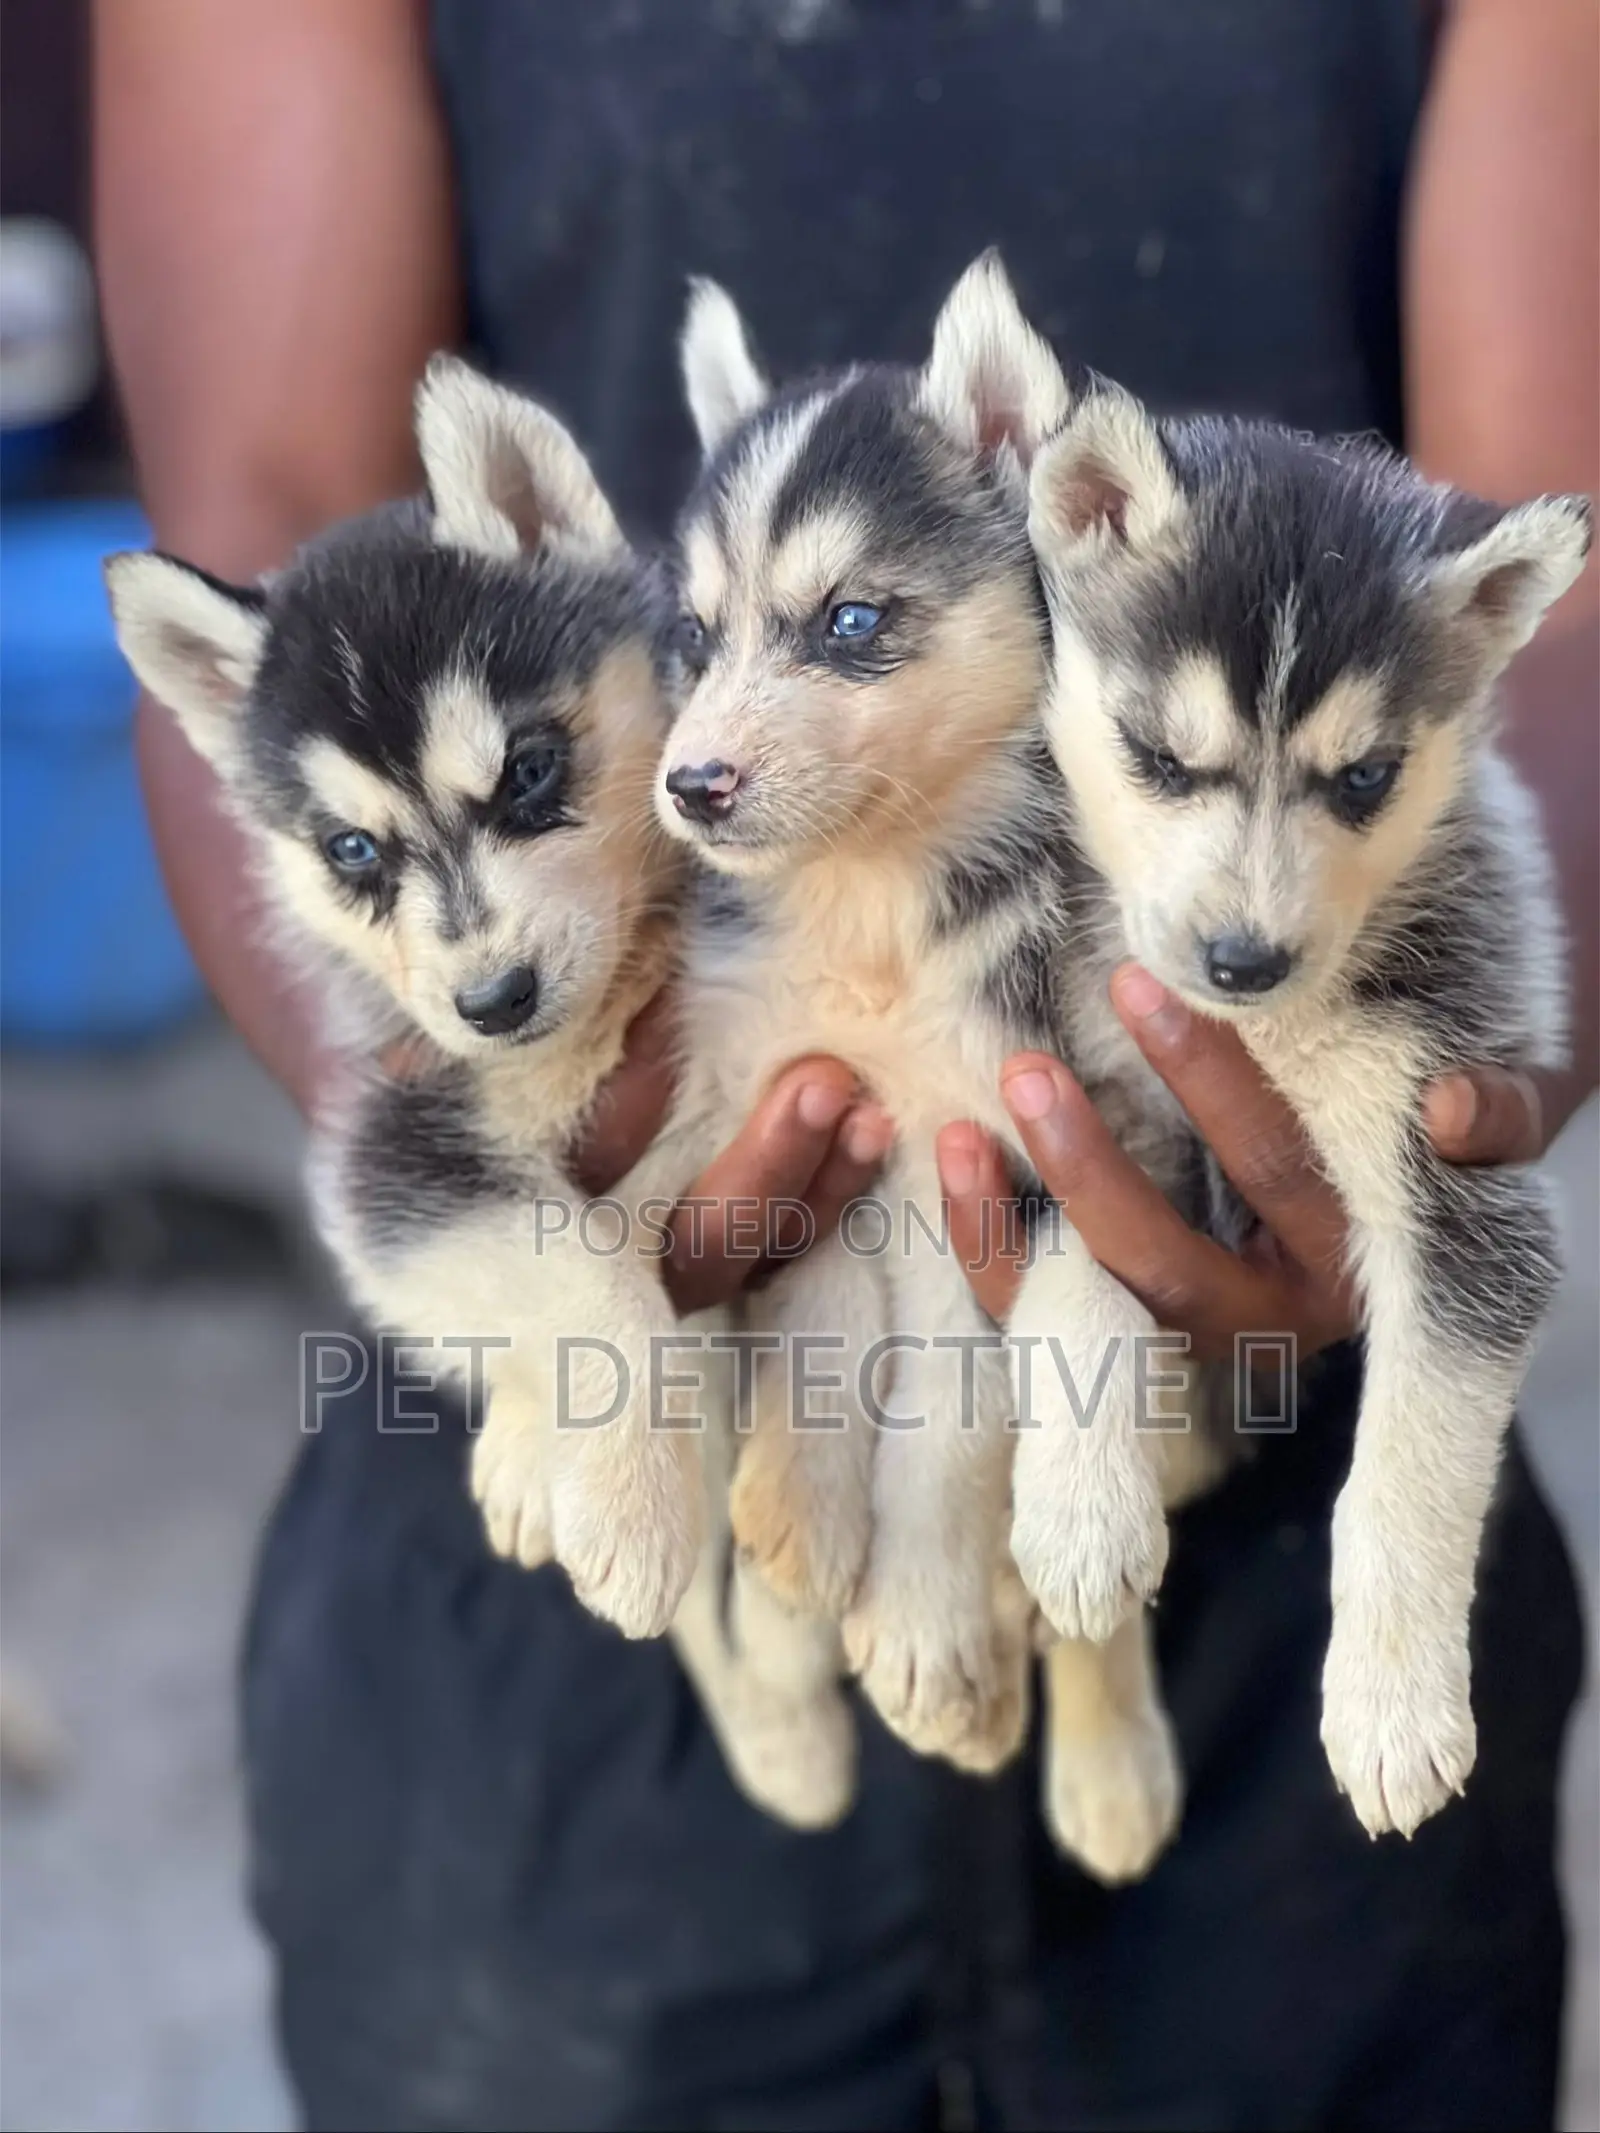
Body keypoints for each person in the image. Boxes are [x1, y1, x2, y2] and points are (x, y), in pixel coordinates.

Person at [94, 2, 1596, 2125]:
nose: (724, 717)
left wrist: (1433, 1086)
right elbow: (270, 547)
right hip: (566, 1647)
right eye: (708, 634)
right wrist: (520, 1211)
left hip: (1269, 1486)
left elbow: (1553, 538)